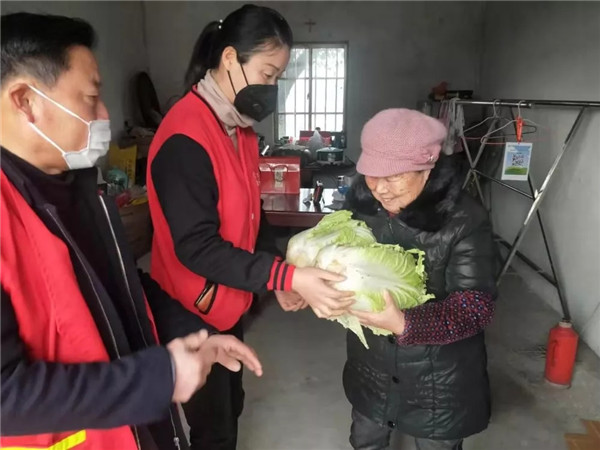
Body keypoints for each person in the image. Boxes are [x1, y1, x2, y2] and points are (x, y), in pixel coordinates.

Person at [0, 13, 263, 450]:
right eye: (90, 98)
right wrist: (158, 378)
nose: (104, 114)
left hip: (135, 430)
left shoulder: (77, 187)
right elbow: (7, 396)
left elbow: (122, 287)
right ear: (26, 101)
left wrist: (193, 331)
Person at [146, 4, 353, 449]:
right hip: (191, 309)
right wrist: (288, 276)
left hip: (228, 301)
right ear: (229, 59)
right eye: (267, 73)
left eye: (278, 77)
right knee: (213, 428)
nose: (271, 88)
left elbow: (251, 220)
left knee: (230, 407)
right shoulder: (185, 138)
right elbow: (197, 247)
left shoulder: (238, 130)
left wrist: (277, 275)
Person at [342, 109, 497, 450]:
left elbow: (475, 307)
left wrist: (405, 323)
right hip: (371, 367)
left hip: (438, 381)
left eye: (394, 176)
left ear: (428, 167)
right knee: (365, 439)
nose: (380, 188)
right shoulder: (361, 209)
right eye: (371, 174)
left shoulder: (465, 219)